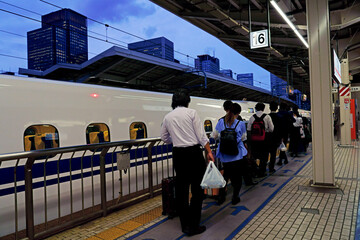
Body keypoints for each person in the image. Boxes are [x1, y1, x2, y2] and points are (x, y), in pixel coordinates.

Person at [160, 89, 214, 237]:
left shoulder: (168, 117)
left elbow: (164, 137)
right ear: (187, 101)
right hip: (194, 153)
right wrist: (209, 151)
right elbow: (201, 136)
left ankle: (185, 226)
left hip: (179, 154)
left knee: (182, 190)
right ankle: (194, 225)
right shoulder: (192, 113)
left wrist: (176, 140)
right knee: (197, 191)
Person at [214, 103, 247, 205]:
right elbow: (243, 138)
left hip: (224, 155)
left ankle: (221, 197)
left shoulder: (221, 122)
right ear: (238, 112)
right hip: (236, 155)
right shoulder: (240, 123)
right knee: (236, 178)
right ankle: (235, 198)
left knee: (225, 176)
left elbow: (214, 136)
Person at [247, 102, 274, 177]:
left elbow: (248, 129)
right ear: (263, 108)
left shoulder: (252, 117)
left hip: (254, 140)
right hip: (264, 140)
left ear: (256, 108)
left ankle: (254, 171)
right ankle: (262, 172)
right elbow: (271, 129)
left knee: (254, 156)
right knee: (264, 156)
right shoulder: (267, 117)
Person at [267, 101, 280, 173]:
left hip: (267, 138)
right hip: (275, 138)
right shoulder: (279, 117)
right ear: (277, 108)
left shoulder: (266, 116)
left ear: (269, 108)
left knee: (265, 153)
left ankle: (263, 167)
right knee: (273, 154)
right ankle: (271, 168)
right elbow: (280, 129)